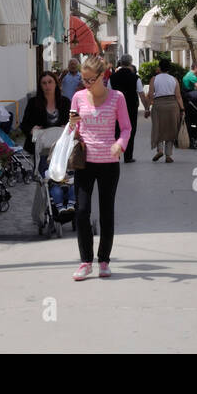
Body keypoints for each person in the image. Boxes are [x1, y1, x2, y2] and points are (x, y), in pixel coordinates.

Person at [67, 55, 132, 280]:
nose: (85, 84)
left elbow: (126, 128)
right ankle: (86, 261)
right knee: (82, 211)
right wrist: (72, 127)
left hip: (109, 164)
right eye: (83, 80)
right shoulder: (77, 98)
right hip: (85, 162)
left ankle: (104, 260)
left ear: (102, 77)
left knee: (106, 212)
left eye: (89, 80)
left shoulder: (117, 98)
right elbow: (71, 131)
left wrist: (120, 144)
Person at [19, 71, 70, 155]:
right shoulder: (33, 102)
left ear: (56, 83)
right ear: (40, 86)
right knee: (41, 168)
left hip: (60, 147)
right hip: (39, 148)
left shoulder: (65, 102)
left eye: (50, 82)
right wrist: (31, 130)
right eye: (44, 83)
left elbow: (72, 123)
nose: (47, 86)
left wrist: (68, 127)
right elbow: (24, 124)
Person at [108, 55, 147, 163]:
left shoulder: (112, 77)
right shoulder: (135, 77)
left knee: (116, 130)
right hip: (131, 107)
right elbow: (141, 93)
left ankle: (116, 154)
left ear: (120, 63)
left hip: (115, 107)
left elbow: (108, 93)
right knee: (130, 130)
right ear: (130, 63)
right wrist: (147, 107)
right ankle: (128, 156)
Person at [145, 59, 184, 163]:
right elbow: (178, 96)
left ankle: (160, 150)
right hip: (172, 105)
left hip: (158, 105)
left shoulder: (154, 79)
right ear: (169, 68)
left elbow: (150, 95)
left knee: (158, 128)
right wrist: (182, 109)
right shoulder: (174, 79)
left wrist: (147, 108)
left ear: (159, 68)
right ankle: (168, 155)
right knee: (171, 129)